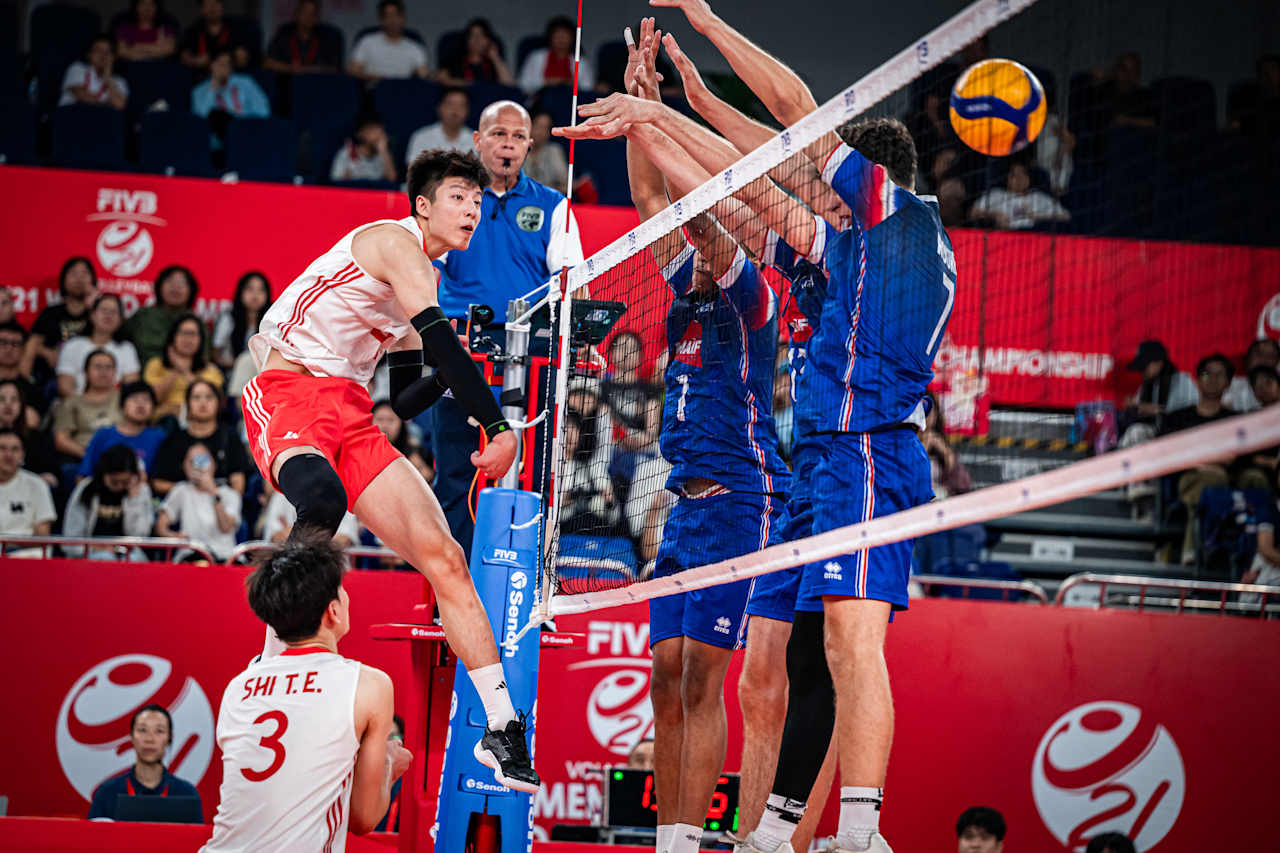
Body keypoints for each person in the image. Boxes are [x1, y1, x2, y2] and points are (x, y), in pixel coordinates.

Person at [626, 4, 950, 851]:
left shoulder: (893, 217)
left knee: (847, 646)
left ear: (863, 184)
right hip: (816, 468)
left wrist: (705, 22)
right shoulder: (839, 246)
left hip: (867, 448)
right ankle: (770, 831)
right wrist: (672, 109)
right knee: (790, 663)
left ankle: (861, 828)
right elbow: (749, 183)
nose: (809, 194)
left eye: (823, 184)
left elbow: (797, 121)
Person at [241, 149, 537, 791]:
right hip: (288, 392)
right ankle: (273, 658)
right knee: (322, 501)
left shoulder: (415, 288)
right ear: (423, 206)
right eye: (458, 196)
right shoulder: (394, 244)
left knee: (447, 558)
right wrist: (496, 425)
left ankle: (501, 727)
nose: (472, 209)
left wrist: (452, 373)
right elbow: (441, 347)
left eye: (478, 201)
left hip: (350, 413)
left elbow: (403, 400)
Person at [576, 34, 790, 852]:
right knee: (664, 677)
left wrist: (655, 115)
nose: (691, 250)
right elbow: (648, 201)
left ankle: (698, 840)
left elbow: (698, 216)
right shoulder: (687, 296)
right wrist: (639, 110)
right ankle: (668, 837)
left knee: (703, 677)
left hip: (741, 502)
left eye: (705, 243)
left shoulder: (748, 298)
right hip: (682, 507)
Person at [432, 99, 585, 556]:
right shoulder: (452, 201)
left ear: (529, 147)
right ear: (477, 140)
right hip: (462, 348)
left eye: (518, 137)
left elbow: (570, 283)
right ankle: (453, 584)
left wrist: (572, 338)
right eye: (499, 134)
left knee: (534, 473)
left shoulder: (554, 205)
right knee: (456, 474)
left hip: (530, 356)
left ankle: (525, 580)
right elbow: (424, 268)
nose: (508, 145)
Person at [200, 536, 412, 850]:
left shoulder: (240, 685)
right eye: (342, 590)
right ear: (333, 611)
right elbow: (363, 819)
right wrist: (390, 766)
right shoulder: (369, 684)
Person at [87, 705, 201, 820]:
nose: (150, 739)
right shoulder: (107, 793)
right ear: (131, 736)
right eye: (142, 730)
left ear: (169, 738)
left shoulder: (187, 794)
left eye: (159, 731)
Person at [150, 379, 253, 496]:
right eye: (196, 397)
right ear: (188, 404)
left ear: (219, 403)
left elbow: (238, 484)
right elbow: (158, 483)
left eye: (209, 397)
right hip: (184, 501)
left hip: (220, 500)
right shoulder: (174, 439)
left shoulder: (230, 437)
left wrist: (215, 494)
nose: (203, 403)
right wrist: (193, 490)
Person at [63, 443, 156, 560]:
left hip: (127, 554)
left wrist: (133, 500)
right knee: (105, 557)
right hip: (91, 553)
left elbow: (140, 536)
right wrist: (98, 548)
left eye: (125, 482)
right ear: (103, 473)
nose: (119, 486)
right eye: (114, 482)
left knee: (133, 559)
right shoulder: (86, 489)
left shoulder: (141, 491)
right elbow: (71, 538)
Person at [155, 442, 242, 561]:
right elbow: (160, 526)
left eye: (202, 460)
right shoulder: (181, 490)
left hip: (224, 557)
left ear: (213, 464)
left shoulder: (230, 494)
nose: (197, 466)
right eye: (191, 461)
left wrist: (213, 493)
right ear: (184, 466)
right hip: (190, 555)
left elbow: (226, 527)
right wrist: (174, 537)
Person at [23, 256, 97, 380]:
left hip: (90, 377)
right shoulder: (50, 313)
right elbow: (32, 344)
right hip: (52, 378)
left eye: (84, 273)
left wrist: (94, 307)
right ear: (63, 280)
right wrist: (46, 352)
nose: (79, 279)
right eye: (73, 273)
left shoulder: (98, 314)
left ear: (93, 280)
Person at [56, 293, 140, 397]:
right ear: (92, 315)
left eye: (114, 312)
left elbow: (131, 386)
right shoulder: (72, 345)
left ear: (120, 320)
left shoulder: (127, 348)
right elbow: (64, 385)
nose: (108, 315)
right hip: (77, 402)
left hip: (114, 404)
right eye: (104, 310)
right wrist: (84, 403)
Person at [143, 313, 223, 421]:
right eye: (183, 333)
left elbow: (213, 404)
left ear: (201, 340)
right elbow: (151, 399)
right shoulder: (156, 365)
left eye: (193, 334)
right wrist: (175, 371)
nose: (188, 339)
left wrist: (185, 372)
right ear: (173, 337)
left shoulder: (211, 370)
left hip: (197, 422)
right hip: (163, 422)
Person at [78, 381, 166, 479]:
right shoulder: (104, 434)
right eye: (134, 399)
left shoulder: (159, 437)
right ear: (122, 406)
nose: (141, 405)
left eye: (146, 400)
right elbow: (84, 475)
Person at [53, 349, 122, 462]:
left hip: (122, 457)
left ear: (115, 372)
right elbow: (61, 440)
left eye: (108, 367)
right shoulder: (72, 402)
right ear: (86, 372)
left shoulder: (125, 398)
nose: (103, 372)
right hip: (82, 459)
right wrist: (90, 455)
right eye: (98, 367)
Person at [123, 264, 199, 366]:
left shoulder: (196, 324)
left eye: (182, 282)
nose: (176, 287)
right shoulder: (142, 316)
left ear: (191, 290)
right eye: (170, 281)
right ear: (159, 286)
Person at [970, 160, 1070, 230]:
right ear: (1008, 179)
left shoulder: (1039, 197)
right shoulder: (996, 195)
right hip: (1003, 238)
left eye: (1023, 174)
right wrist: (995, 215)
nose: (1019, 178)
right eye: (1015, 175)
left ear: (1029, 179)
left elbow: (1065, 216)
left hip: (1033, 240)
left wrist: (1038, 218)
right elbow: (972, 213)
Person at [261, 483, 362, 549]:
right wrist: (321, 535)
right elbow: (276, 537)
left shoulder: (341, 495)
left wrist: (295, 533)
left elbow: (344, 540)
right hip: (290, 567)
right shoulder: (280, 496)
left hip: (332, 569)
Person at [348, 0, 428, 82]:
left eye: (397, 15)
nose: (393, 20)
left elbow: (424, 75)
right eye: (388, 16)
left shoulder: (414, 48)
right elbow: (353, 71)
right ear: (381, 20)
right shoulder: (367, 42)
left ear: (403, 18)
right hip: (372, 86)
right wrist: (372, 77)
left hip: (402, 88)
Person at [0, 428, 57, 539]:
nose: (8, 455)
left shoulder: (37, 484)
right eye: (2, 448)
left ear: (23, 454)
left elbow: (43, 534)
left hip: (26, 548)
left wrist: (7, 544)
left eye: (15, 449)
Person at [192, 48, 271, 124]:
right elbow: (200, 119)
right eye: (220, 63)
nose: (224, 68)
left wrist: (245, 121)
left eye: (228, 64)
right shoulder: (199, 91)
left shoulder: (245, 82)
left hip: (245, 126)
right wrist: (212, 88)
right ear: (211, 65)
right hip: (218, 130)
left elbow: (263, 110)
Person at [212, 272, 272, 370]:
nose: (255, 295)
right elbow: (216, 352)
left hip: (262, 371)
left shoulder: (272, 322)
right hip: (230, 371)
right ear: (241, 292)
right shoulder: (228, 318)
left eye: (261, 290)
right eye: (250, 289)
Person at [518, 16, 594, 94]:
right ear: (550, 38)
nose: (561, 40)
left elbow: (588, 89)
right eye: (557, 36)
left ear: (573, 38)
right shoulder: (536, 57)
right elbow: (523, 84)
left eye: (565, 36)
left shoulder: (581, 61)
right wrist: (547, 83)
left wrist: (570, 84)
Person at [264, 0, 342, 75]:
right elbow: (268, 63)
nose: (308, 18)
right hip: (288, 81)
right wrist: (289, 68)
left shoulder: (327, 37)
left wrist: (306, 70)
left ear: (317, 17)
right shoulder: (284, 34)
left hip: (317, 82)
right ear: (296, 14)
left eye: (312, 14)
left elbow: (333, 69)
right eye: (304, 13)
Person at [405, 87, 476, 164]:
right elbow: (413, 167)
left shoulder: (475, 140)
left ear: (468, 110)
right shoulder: (422, 137)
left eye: (461, 105)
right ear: (439, 108)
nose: (455, 110)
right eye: (450, 104)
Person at [59, 34, 128, 109]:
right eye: (98, 50)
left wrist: (107, 78)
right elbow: (82, 96)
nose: (103, 55)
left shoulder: (119, 81)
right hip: (72, 112)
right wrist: (106, 105)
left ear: (113, 57)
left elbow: (120, 105)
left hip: (102, 115)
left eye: (108, 52)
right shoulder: (78, 68)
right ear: (89, 54)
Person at [437, 18, 514, 86]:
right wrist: (470, 85)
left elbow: (509, 85)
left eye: (481, 36)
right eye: (473, 35)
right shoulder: (455, 59)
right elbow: (441, 79)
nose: (477, 40)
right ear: (467, 40)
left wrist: (495, 58)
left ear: (488, 40)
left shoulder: (493, 64)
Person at [0, 322, 48, 426]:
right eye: (3, 342)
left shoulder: (33, 392)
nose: (9, 349)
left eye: (15, 344)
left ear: (24, 350)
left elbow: (33, 423)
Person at [180, 0, 249, 71]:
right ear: (201, 8)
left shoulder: (236, 28)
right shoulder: (193, 31)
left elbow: (243, 57)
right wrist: (195, 61)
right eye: (207, 4)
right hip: (202, 75)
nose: (212, 8)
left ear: (222, 6)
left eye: (216, 3)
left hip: (232, 73)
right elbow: (184, 56)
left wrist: (232, 59)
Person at [330, 115, 398, 183]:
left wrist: (383, 151)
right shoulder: (346, 153)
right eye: (372, 130)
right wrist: (347, 178)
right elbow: (335, 181)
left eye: (380, 129)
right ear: (360, 134)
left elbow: (392, 179)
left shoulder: (384, 155)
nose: (378, 134)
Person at [1225, 338, 1280, 413]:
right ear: (1248, 356)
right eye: (1259, 353)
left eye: (1270, 356)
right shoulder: (1228, 383)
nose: (1264, 359)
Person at [524, 109, 569, 190]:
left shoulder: (554, 151)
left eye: (546, 128)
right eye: (539, 126)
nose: (542, 132)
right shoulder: (517, 150)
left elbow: (565, 184)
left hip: (549, 197)